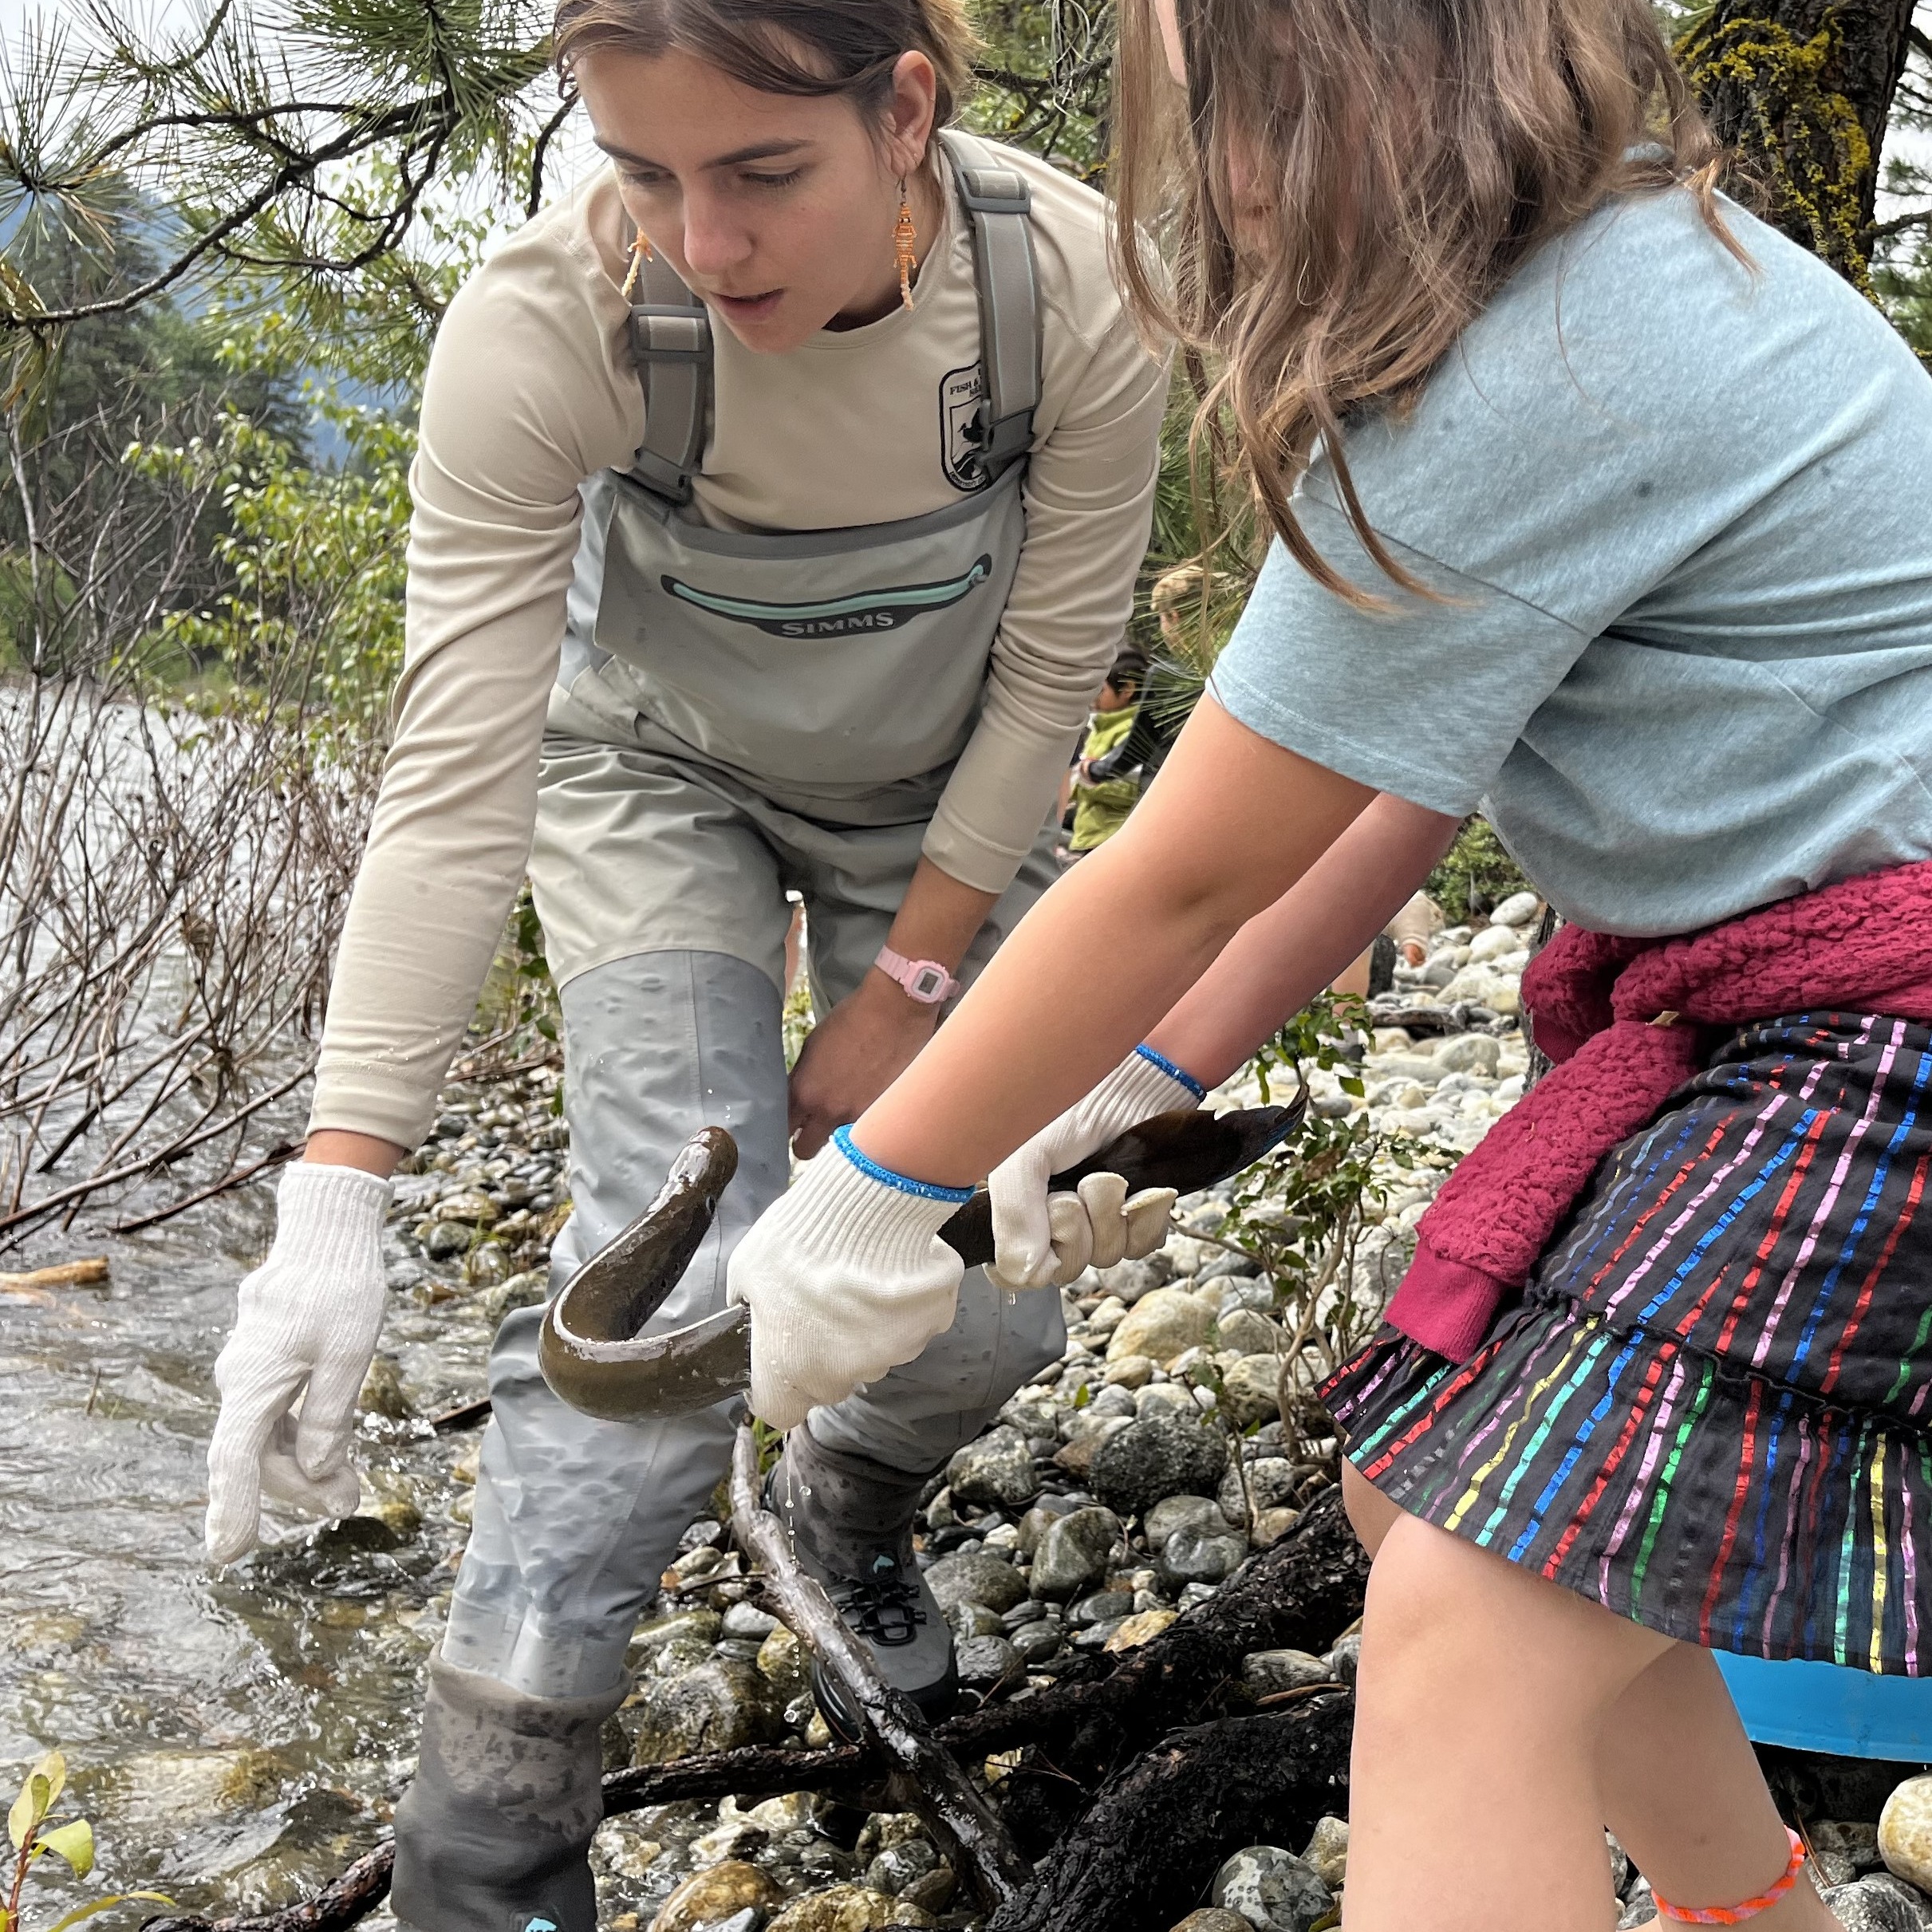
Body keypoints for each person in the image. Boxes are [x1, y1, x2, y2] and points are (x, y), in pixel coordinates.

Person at [724, 0, 1932, 1927]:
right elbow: (1374, 803)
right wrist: (1142, 1076)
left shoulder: (1546, 358)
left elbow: (1187, 868)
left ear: (1413, 79)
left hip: (1885, 1024)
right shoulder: (1636, 273)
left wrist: (873, 1193)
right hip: (1809, 1012)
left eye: (1256, 118)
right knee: (1430, 1499)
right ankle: (1761, 1916)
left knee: (1469, 1619)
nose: (1230, 186)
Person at [198, 0, 1171, 1921]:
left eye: (759, 174)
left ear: (905, 111)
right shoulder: (549, 326)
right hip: (649, 782)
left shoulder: (1071, 293)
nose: (699, 246)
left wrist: (907, 991)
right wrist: (341, 1188)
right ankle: (484, 1848)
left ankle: (853, 1503)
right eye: (642, 172)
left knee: (995, 1283)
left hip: (950, 800)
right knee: (655, 1285)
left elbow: (1057, 673)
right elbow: (460, 769)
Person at [1065, 641, 1148, 855]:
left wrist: (1085, 779)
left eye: (1100, 690)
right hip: (1090, 834)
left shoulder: (1132, 730)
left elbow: (1134, 788)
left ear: (1128, 689)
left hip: (1110, 837)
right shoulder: (1101, 724)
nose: (1092, 696)